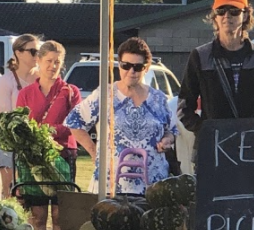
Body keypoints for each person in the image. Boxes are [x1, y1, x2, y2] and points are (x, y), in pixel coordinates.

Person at [66, 37, 178, 196]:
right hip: (110, 185)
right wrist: (94, 152)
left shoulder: (159, 99)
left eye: (137, 67)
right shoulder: (104, 95)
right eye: (126, 65)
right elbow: (74, 121)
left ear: (146, 68)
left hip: (152, 186)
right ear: (119, 66)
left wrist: (167, 140)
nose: (131, 71)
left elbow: (171, 130)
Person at [178, 0, 254, 131]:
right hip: (213, 146)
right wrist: (205, 130)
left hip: (252, 145)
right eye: (221, 11)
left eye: (234, 11)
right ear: (215, 16)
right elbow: (184, 107)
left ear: (245, 16)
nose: (227, 16)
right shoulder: (200, 56)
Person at [16, 40, 81, 230]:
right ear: (38, 60)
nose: (53, 66)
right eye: (49, 61)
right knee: (37, 215)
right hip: (33, 158)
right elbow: (19, 125)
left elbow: (75, 124)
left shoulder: (71, 91)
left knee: (61, 215)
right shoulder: (26, 93)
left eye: (57, 62)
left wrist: (47, 131)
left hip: (63, 154)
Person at [0, 34, 41, 197]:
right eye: (33, 51)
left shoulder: (43, 79)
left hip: (38, 142)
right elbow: (4, 117)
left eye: (39, 51)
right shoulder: (7, 81)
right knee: (12, 192)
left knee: (37, 192)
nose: (37, 56)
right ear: (18, 53)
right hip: (12, 144)